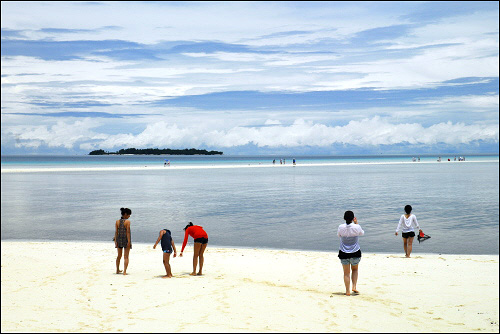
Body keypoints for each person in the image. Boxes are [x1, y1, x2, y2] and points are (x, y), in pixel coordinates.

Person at [337, 211, 364, 296]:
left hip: (343, 252)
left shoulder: (341, 227)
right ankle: (354, 286)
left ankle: (347, 291)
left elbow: (339, 235)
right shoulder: (357, 227)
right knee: (355, 269)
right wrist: (356, 223)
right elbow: (362, 233)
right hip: (355, 251)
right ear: (353, 218)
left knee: (346, 273)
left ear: (344, 218)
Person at [115, 208, 132, 275]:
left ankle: (117, 270)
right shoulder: (127, 222)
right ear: (125, 214)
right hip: (125, 239)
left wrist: (115, 241)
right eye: (129, 215)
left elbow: (116, 232)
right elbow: (128, 232)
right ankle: (124, 272)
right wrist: (129, 241)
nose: (129, 216)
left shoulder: (117, 222)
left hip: (119, 239)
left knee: (119, 256)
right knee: (126, 256)